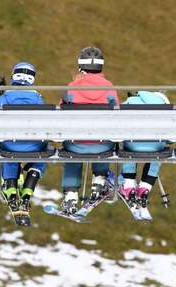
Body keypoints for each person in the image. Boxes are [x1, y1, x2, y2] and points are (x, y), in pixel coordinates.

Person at [59, 46, 120, 215]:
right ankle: (99, 180)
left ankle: (71, 195)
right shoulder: (109, 87)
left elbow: (61, 114)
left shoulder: (71, 87)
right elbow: (116, 115)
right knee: (104, 140)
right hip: (102, 144)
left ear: (81, 66)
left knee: (72, 149)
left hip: (75, 144)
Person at [0, 62, 48, 224]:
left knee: (9, 152)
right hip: (34, 145)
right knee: (40, 155)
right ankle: (27, 194)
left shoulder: (5, 97)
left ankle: (11, 190)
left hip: (10, 144)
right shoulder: (37, 98)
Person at [118, 91, 170, 218]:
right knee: (158, 153)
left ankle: (129, 185)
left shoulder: (130, 102)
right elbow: (171, 137)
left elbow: (117, 124)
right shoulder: (166, 108)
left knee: (128, 147)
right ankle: (144, 188)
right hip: (156, 147)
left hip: (132, 145)